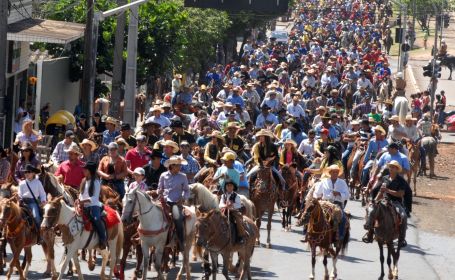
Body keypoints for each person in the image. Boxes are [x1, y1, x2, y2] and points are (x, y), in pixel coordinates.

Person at [364, 160, 409, 248]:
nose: (391, 169)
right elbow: (381, 191)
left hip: (396, 202)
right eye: (390, 167)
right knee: (372, 211)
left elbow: (401, 194)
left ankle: (402, 238)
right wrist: (375, 201)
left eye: (393, 167)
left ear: (397, 169)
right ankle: (370, 233)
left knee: (403, 216)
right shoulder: (385, 178)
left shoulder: (401, 180)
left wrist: (388, 191)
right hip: (384, 200)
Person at [158, 155, 190, 251]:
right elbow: (159, 188)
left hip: (176, 202)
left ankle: (181, 242)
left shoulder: (183, 176)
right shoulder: (163, 175)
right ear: (172, 166)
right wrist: (159, 192)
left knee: (178, 220)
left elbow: (187, 190)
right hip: (164, 201)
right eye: (178, 165)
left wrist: (183, 198)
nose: (180, 167)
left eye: (180, 165)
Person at [313, 164, 349, 240]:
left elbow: (347, 195)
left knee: (343, 219)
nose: (335, 174)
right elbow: (316, 193)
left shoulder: (342, 183)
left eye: (336, 172)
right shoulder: (324, 181)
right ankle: (309, 233)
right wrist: (317, 199)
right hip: (325, 203)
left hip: (337, 204)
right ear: (330, 173)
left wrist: (339, 193)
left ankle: (340, 237)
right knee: (313, 214)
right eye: (333, 172)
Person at [79, 161, 107, 249]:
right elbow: (81, 193)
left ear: (90, 171)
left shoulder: (96, 182)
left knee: (96, 219)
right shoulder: (84, 181)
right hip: (83, 205)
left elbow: (94, 198)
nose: (83, 170)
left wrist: (83, 201)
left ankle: (103, 238)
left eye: (85, 169)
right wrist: (79, 199)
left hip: (94, 205)